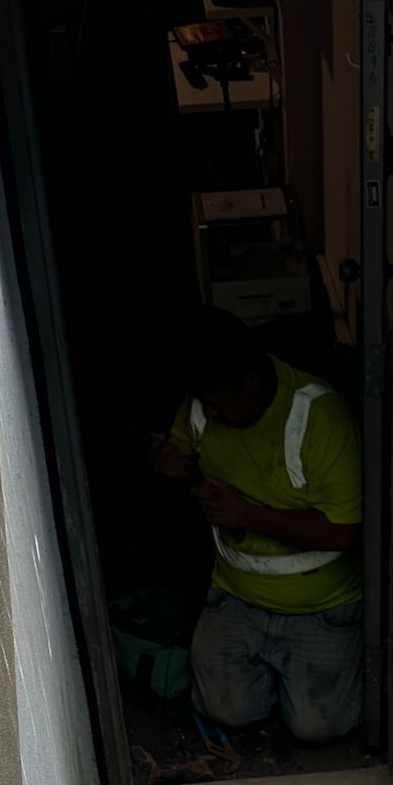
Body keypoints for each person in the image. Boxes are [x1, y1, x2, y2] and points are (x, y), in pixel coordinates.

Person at [149, 310, 364, 746]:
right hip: (237, 595)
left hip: (321, 606)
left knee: (320, 728)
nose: (209, 411)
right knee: (225, 710)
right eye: (203, 402)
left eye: (219, 403)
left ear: (253, 382)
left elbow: (344, 532)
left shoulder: (321, 417)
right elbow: (190, 462)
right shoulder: (202, 405)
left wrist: (248, 515)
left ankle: (298, 680)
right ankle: (272, 682)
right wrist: (175, 467)